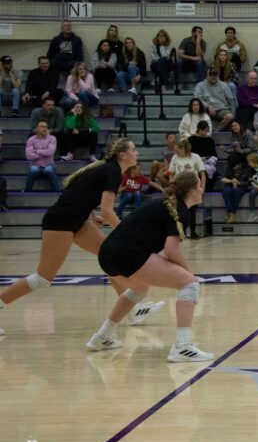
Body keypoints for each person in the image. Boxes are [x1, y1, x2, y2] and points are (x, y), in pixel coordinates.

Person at [0, 138, 163, 338]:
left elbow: (76, 191)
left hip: (77, 221)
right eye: (134, 150)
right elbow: (107, 210)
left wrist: (90, 214)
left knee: (111, 259)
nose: (137, 154)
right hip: (60, 222)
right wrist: (127, 235)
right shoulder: (112, 171)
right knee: (43, 278)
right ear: (123, 155)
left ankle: (131, 311)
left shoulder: (106, 168)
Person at [86, 171, 214, 362]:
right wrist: (189, 274)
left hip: (108, 254)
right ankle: (183, 347)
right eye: (199, 185)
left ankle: (102, 337)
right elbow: (171, 251)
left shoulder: (169, 205)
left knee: (139, 288)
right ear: (191, 191)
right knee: (190, 284)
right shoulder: (180, 210)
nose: (202, 189)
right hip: (127, 253)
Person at [168, 138, 205, 238]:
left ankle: (193, 231)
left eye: (177, 150)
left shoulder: (195, 157)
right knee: (178, 210)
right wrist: (170, 184)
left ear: (184, 149)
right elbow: (171, 174)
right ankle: (178, 232)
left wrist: (203, 189)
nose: (176, 152)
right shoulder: (175, 157)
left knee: (192, 211)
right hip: (178, 187)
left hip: (192, 188)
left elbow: (202, 174)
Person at [24, 121, 60, 192]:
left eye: (46, 127)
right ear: (37, 128)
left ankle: (57, 192)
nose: (44, 129)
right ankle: (27, 192)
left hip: (49, 165)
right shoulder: (31, 139)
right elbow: (28, 156)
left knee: (49, 170)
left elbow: (50, 152)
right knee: (33, 170)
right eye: (42, 127)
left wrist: (36, 151)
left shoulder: (52, 138)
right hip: (35, 165)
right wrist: (44, 153)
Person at [220, 152, 249, 224]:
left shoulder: (246, 168)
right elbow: (222, 178)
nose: (233, 168)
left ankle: (231, 212)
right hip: (230, 184)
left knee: (237, 192)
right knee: (226, 191)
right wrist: (231, 181)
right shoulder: (228, 166)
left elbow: (249, 182)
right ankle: (231, 213)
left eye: (235, 166)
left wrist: (238, 183)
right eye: (232, 167)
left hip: (242, 186)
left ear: (239, 163)